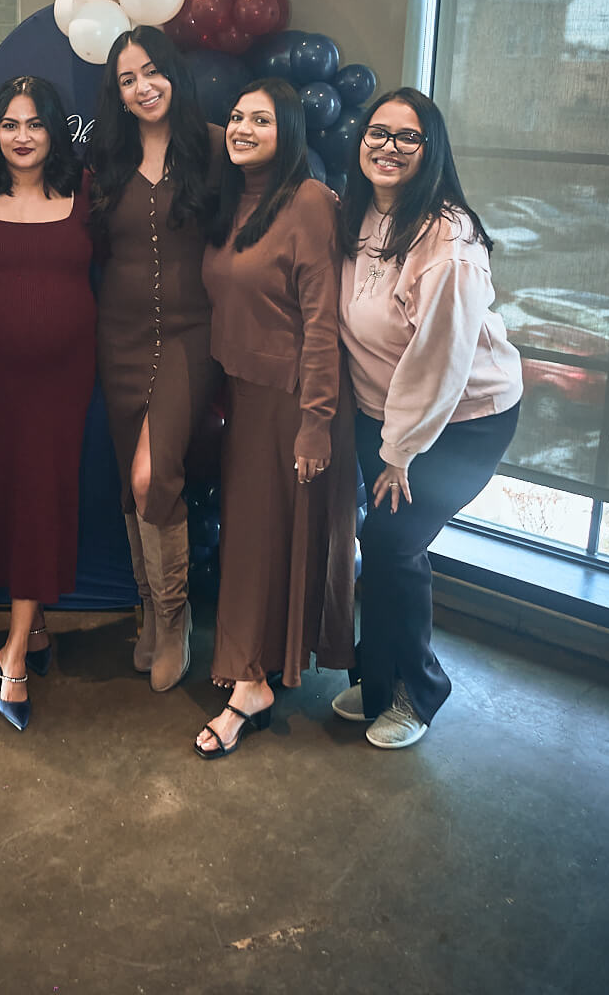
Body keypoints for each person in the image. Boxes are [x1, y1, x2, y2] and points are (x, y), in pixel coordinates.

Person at [334, 88, 523, 748]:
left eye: (406, 136)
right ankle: (377, 680)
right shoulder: (359, 210)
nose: (387, 146)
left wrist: (399, 452)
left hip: (461, 422)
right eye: (377, 131)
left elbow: (438, 360)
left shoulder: (449, 238)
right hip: (382, 412)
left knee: (392, 543)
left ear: (430, 148)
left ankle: (416, 691)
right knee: (385, 547)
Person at [194, 78, 357, 758]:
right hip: (246, 396)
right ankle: (252, 669)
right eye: (236, 117)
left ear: (289, 130)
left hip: (294, 399)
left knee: (264, 545)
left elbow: (322, 323)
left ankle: (250, 683)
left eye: (261, 120)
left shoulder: (311, 202)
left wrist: (316, 422)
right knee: (251, 542)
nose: (242, 128)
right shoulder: (231, 200)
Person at [0, 76, 95, 732]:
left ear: (56, 129)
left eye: (35, 123)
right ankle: (26, 628)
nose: (23, 136)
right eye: (10, 124)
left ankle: (13, 653)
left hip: (63, 380)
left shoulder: (86, 190)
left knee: (42, 499)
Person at [89, 26, 223, 692]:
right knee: (128, 482)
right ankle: (147, 609)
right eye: (127, 79)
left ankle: (173, 619)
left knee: (152, 477)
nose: (142, 87)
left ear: (173, 73)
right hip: (118, 336)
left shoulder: (216, 147)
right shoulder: (105, 159)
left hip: (191, 336)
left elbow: (271, 201)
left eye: (151, 72)